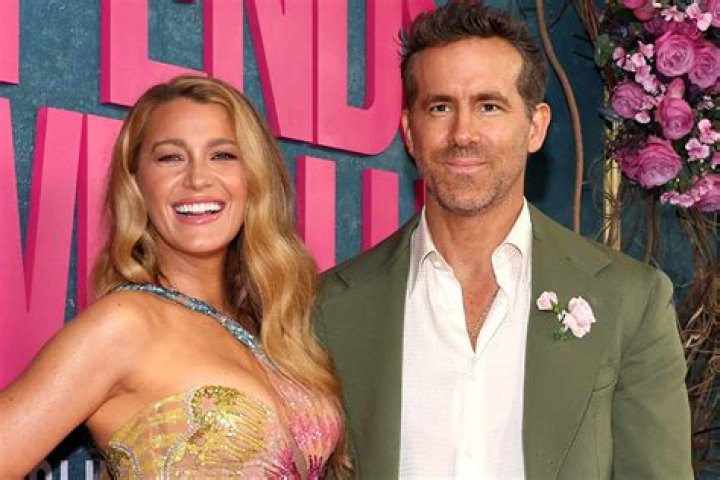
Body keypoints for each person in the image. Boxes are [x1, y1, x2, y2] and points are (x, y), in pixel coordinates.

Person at [316, 1, 692, 478]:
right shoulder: (328, 309)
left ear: (535, 127)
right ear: (410, 131)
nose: (463, 134)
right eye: (440, 107)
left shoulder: (630, 301)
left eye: (489, 106)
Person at [0, 76, 349, 479]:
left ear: (254, 177)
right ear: (137, 183)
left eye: (222, 155)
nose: (198, 178)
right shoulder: (125, 324)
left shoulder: (268, 329)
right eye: (170, 158)